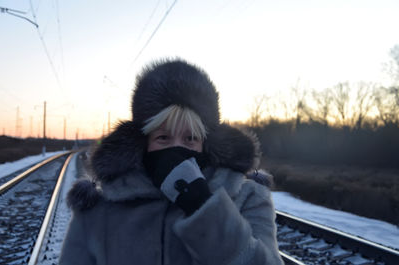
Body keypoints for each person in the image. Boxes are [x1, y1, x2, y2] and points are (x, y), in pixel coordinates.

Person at [59, 59, 283, 265]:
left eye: (190, 138)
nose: (177, 148)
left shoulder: (247, 197)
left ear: (205, 144)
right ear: (143, 142)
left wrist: (203, 206)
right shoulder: (101, 206)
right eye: (163, 137)